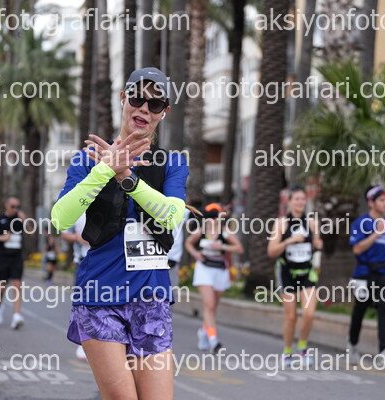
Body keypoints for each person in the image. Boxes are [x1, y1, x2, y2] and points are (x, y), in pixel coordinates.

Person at [51, 67, 188, 399]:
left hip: (151, 299)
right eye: (137, 99)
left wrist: (126, 176)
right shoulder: (89, 159)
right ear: (123, 98)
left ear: (164, 112)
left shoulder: (172, 163)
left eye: (155, 104)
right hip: (100, 297)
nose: (144, 109)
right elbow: (60, 219)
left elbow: (171, 216)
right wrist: (104, 170)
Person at [347, 186, 385, 367]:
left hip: (383, 272)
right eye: (381, 200)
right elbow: (357, 249)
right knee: (360, 310)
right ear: (371, 203)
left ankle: (384, 351)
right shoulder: (361, 223)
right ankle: (352, 345)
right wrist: (376, 234)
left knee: (384, 308)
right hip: (364, 273)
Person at [267, 187, 323, 365]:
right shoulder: (282, 224)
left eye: (303, 199)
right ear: (289, 202)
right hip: (287, 272)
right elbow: (271, 251)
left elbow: (317, 244)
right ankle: (287, 352)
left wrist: (318, 243)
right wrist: (290, 240)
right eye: (297, 199)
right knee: (291, 316)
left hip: (306, 272)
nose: (300, 202)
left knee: (309, 314)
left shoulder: (312, 223)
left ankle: (303, 349)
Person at [185, 205, 244, 353]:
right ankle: (214, 341)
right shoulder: (201, 231)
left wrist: (222, 247)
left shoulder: (225, 232)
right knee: (209, 304)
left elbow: (239, 248)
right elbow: (188, 243)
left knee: (212, 307)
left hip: (220, 269)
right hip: (204, 269)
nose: (214, 219)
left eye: (216, 216)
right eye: (211, 217)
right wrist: (195, 254)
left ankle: (204, 332)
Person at [0, 196, 29, 329]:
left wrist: (25, 220)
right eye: (13, 206)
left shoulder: (20, 219)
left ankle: (16, 315)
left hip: (16, 257)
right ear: (6, 206)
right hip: (3, 256)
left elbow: (32, 233)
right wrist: (1, 238)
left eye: (18, 207)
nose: (16, 209)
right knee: (2, 286)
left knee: (17, 285)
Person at [60, 213, 90, 361]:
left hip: (108, 262)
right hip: (83, 261)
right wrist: (78, 238)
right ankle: (83, 341)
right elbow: (64, 234)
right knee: (83, 303)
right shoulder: (78, 209)